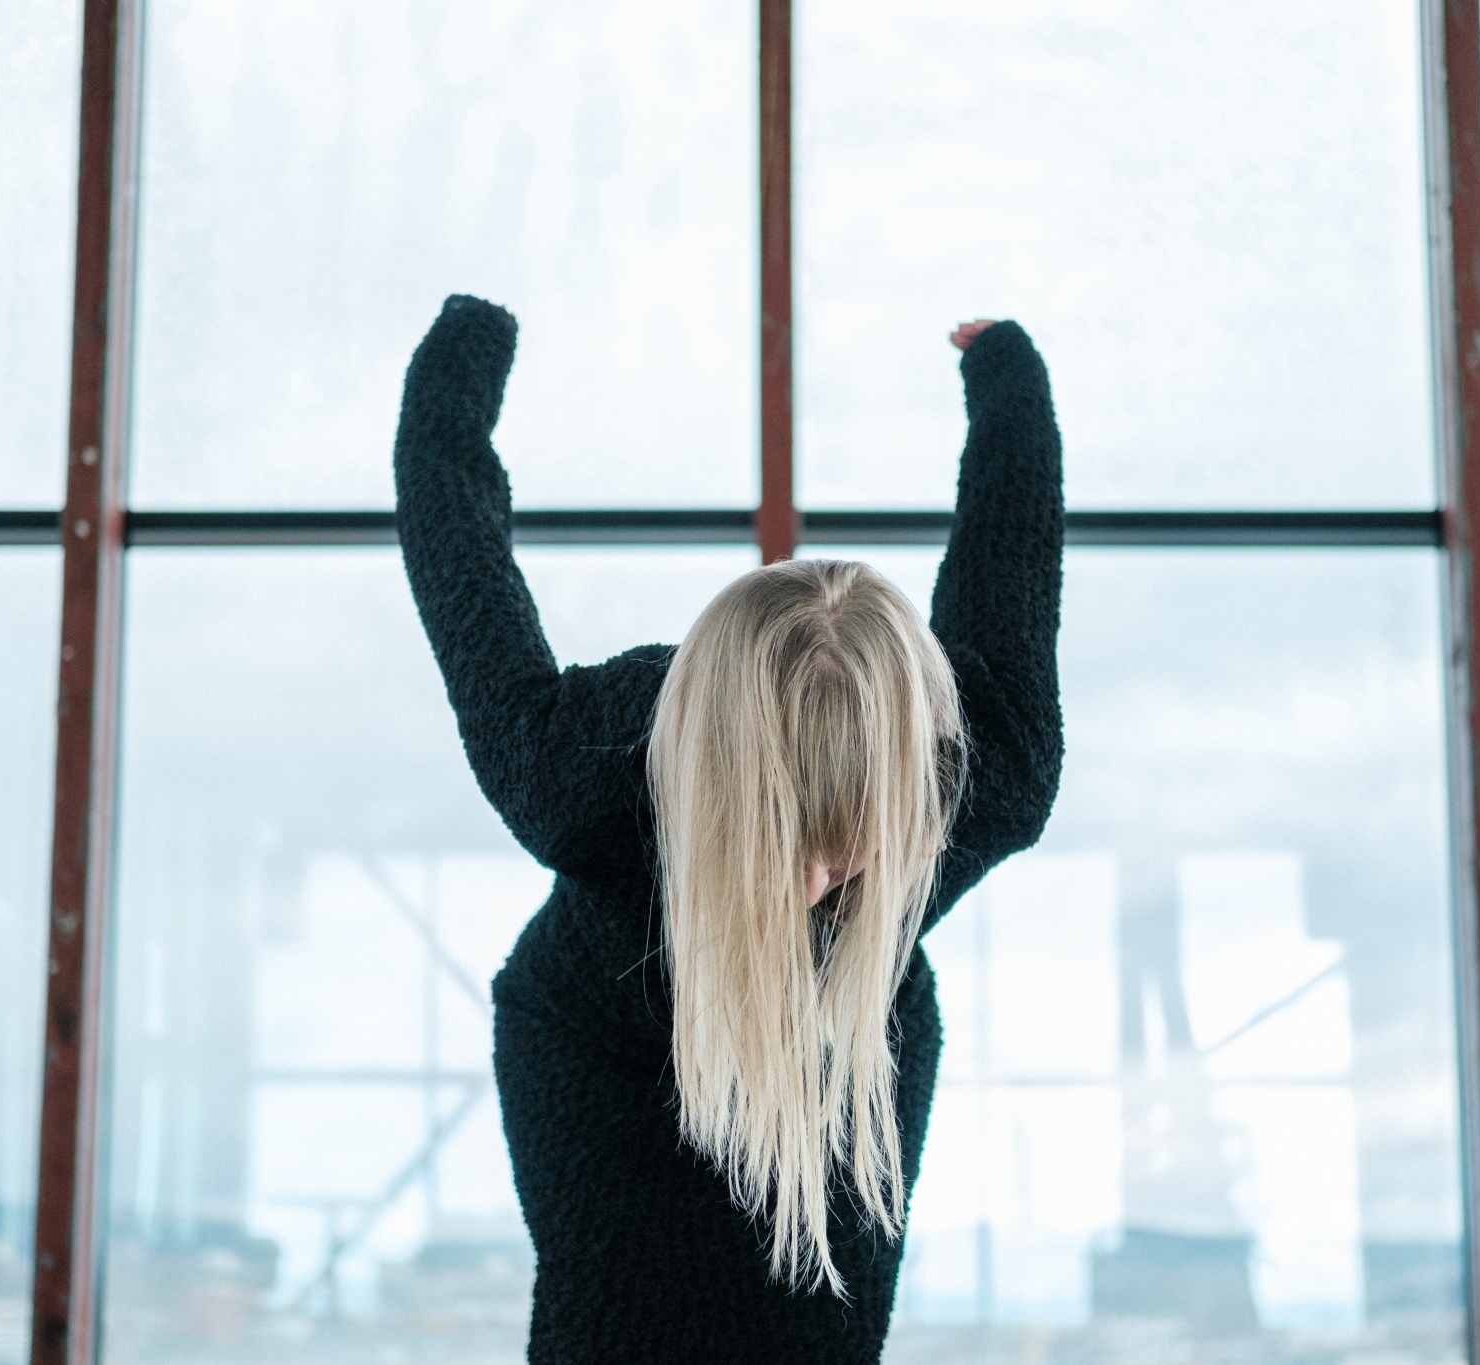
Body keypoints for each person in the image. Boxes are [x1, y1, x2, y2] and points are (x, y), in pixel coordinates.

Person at [394, 295, 1062, 1362]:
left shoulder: (981, 775)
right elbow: (455, 545)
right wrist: (466, 349)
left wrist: (1005, 375)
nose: (811, 879)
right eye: (783, 839)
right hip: (606, 1034)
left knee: (813, 1327)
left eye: (849, 847)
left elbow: (1009, 553)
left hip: (845, 1030)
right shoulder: (582, 772)